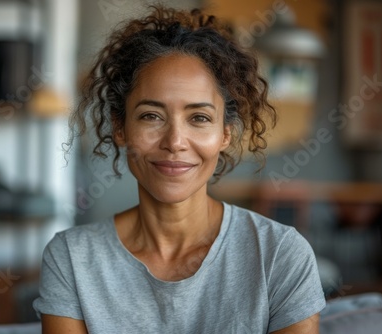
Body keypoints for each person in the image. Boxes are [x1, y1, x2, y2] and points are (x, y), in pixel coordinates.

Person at [33, 5, 325, 333]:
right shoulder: (72, 258)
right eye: (151, 116)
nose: (175, 141)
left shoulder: (280, 254)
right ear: (120, 128)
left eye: (199, 118)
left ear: (224, 134)